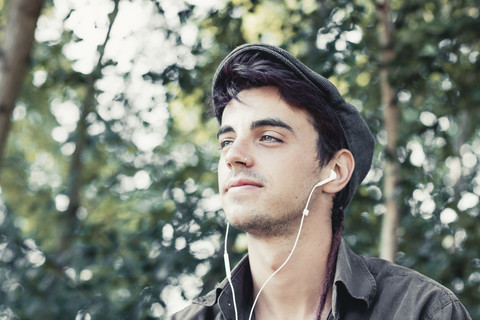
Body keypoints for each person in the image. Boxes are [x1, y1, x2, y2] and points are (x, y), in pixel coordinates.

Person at [169, 43, 472, 320]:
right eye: (226, 141)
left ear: (335, 171)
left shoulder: (422, 311)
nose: (233, 156)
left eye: (269, 138)